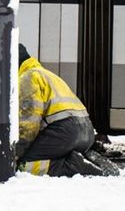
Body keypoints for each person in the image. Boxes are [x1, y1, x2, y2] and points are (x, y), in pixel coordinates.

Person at [17, 44, 115, 176]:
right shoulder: (46, 74)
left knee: (24, 165)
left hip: (66, 131)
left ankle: (75, 166)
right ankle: (88, 159)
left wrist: (14, 154)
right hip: (85, 131)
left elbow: (28, 125)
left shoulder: (27, 78)